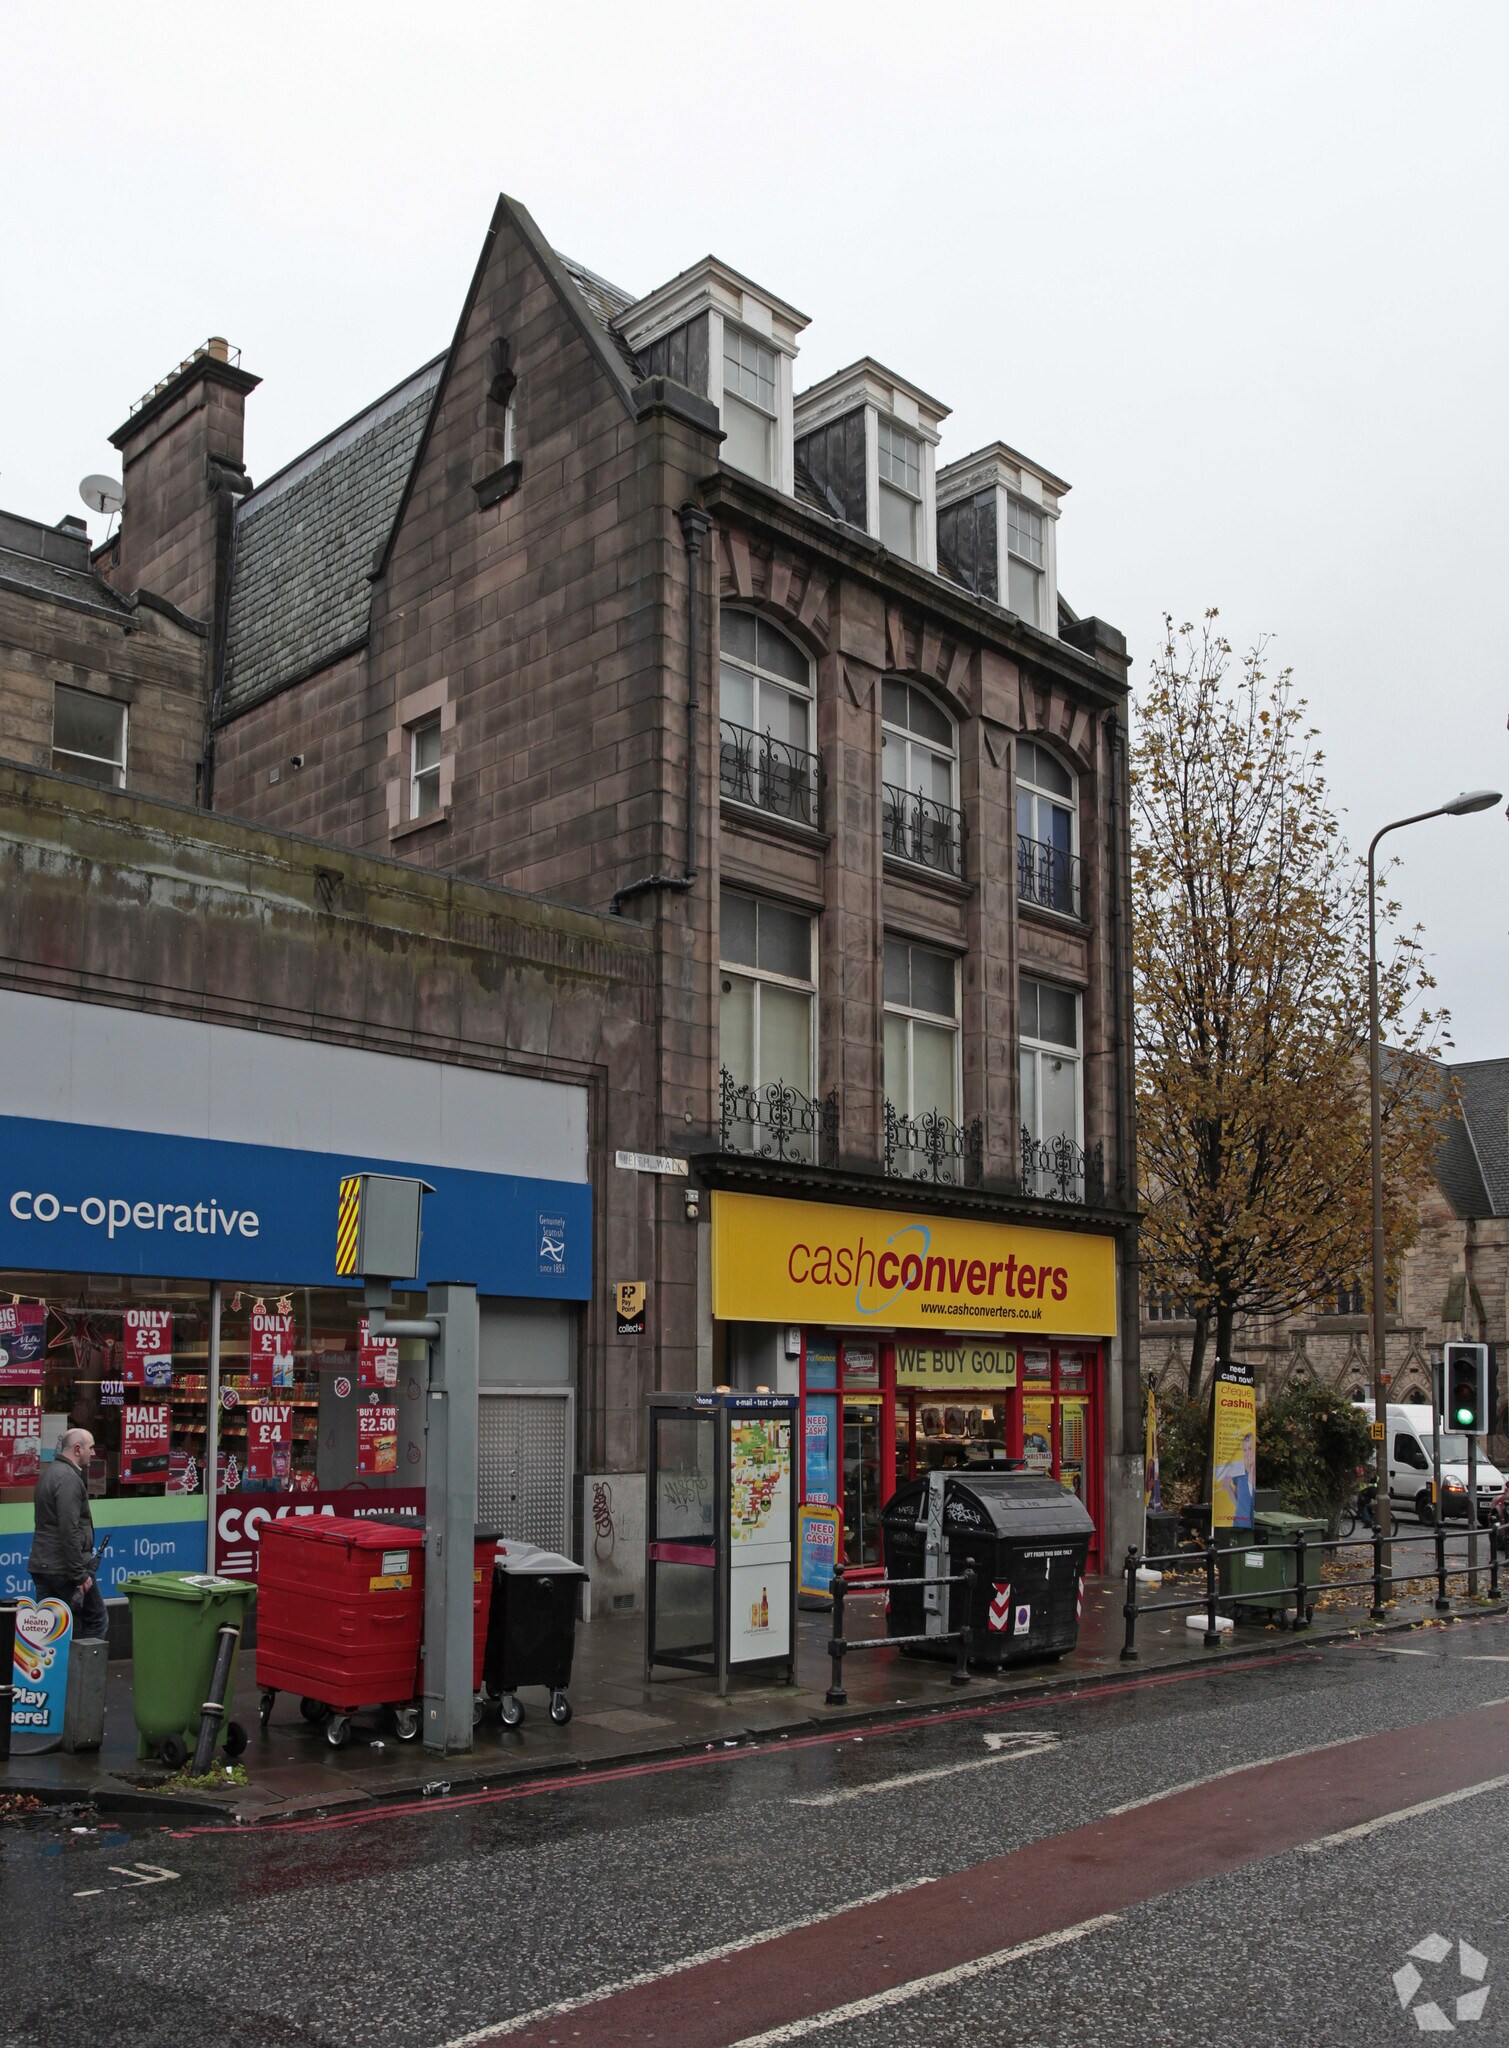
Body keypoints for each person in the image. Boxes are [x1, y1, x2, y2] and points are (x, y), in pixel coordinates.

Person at [29, 1427, 109, 1640]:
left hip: (44, 1563)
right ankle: (83, 1673)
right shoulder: (69, 1479)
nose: (93, 1453)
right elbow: (69, 1529)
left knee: (51, 1628)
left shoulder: (50, 1473)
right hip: (63, 1568)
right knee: (96, 1618)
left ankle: (55, 1672)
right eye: (90, 1448)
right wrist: (79, 1574)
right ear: (77, 1449)